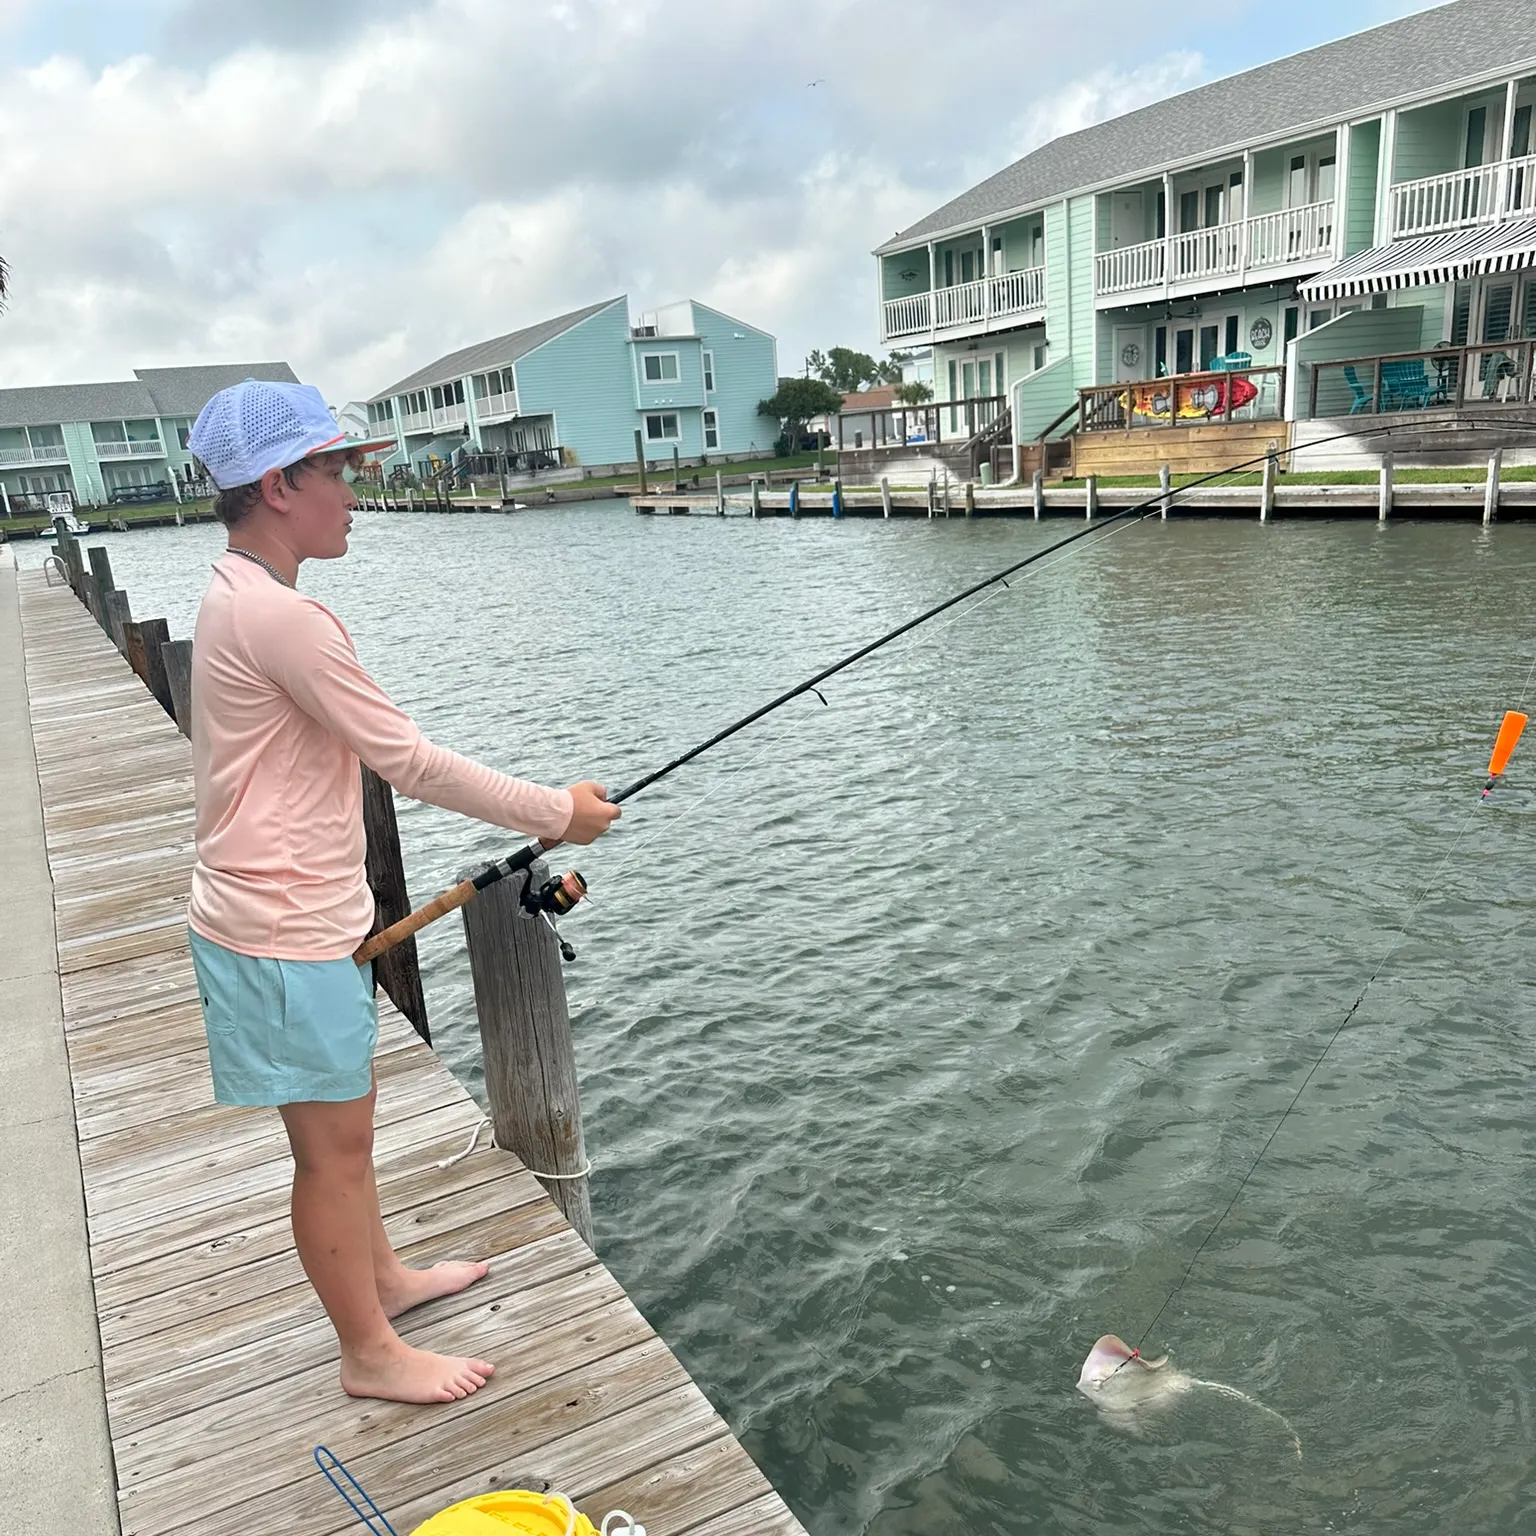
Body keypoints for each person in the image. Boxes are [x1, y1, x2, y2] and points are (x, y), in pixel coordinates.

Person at [184, 379, 619, 1404]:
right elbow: (409, 762)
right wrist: (555, 812)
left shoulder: (238, 596)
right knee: (330, 1158)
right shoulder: (282, 620)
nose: (351, 492)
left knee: (350, 1135)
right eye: (336, 472)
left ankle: (378, 1281)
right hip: (278, 929)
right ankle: (366, 1353)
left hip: (291, 919)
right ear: (279, 484)